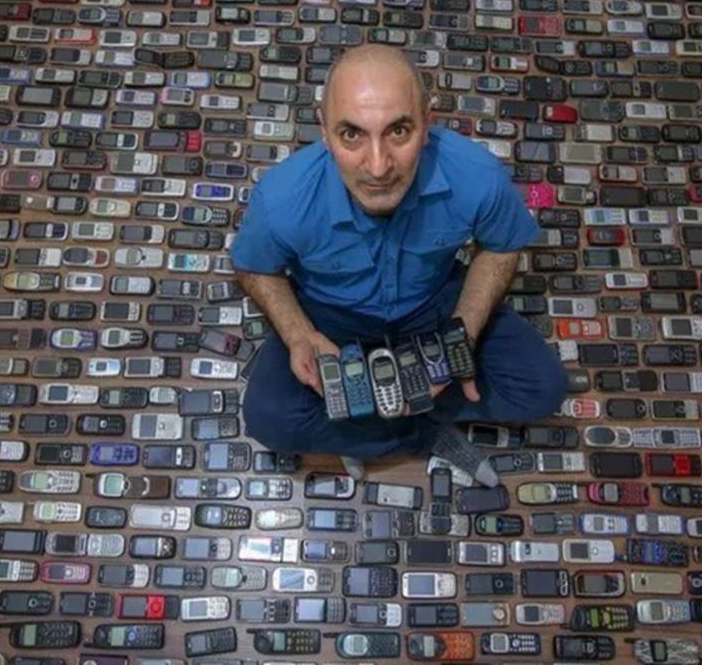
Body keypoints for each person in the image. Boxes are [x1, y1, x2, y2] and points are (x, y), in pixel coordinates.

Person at [229, 44, 568, 486]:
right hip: (329, 314)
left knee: (543, 388)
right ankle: (425, 431)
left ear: (428, 123)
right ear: (324, 131)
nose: (377, 166)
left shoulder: (478, 176)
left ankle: (364, 428)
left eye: (399, 131)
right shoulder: (280, 199)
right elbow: (254, 268)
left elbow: (501, 247)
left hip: (434, 301)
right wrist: (298, 333)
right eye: (352, 134)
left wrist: (461, 334)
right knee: (269, 419)